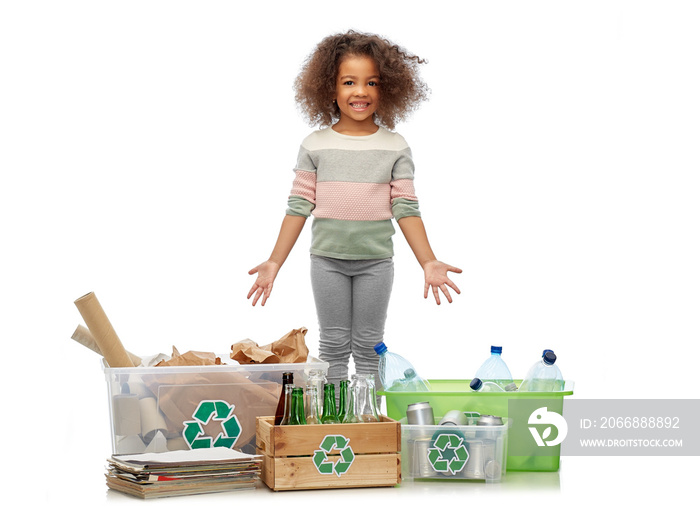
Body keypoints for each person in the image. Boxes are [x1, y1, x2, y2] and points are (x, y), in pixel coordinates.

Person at [248, 30, 461, 390]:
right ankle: (334, 421)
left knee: (368, 346)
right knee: (332, 345)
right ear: (330, 88)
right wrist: (274, 262)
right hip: (327, 260)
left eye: (371, 83)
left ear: (387, 89)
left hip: (376, 264)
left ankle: (366, 423)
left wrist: (428, 261)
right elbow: (298, 207)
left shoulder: (395, 146)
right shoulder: (315, 144)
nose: (360, 91)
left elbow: (405, 207)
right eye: (349, 82)